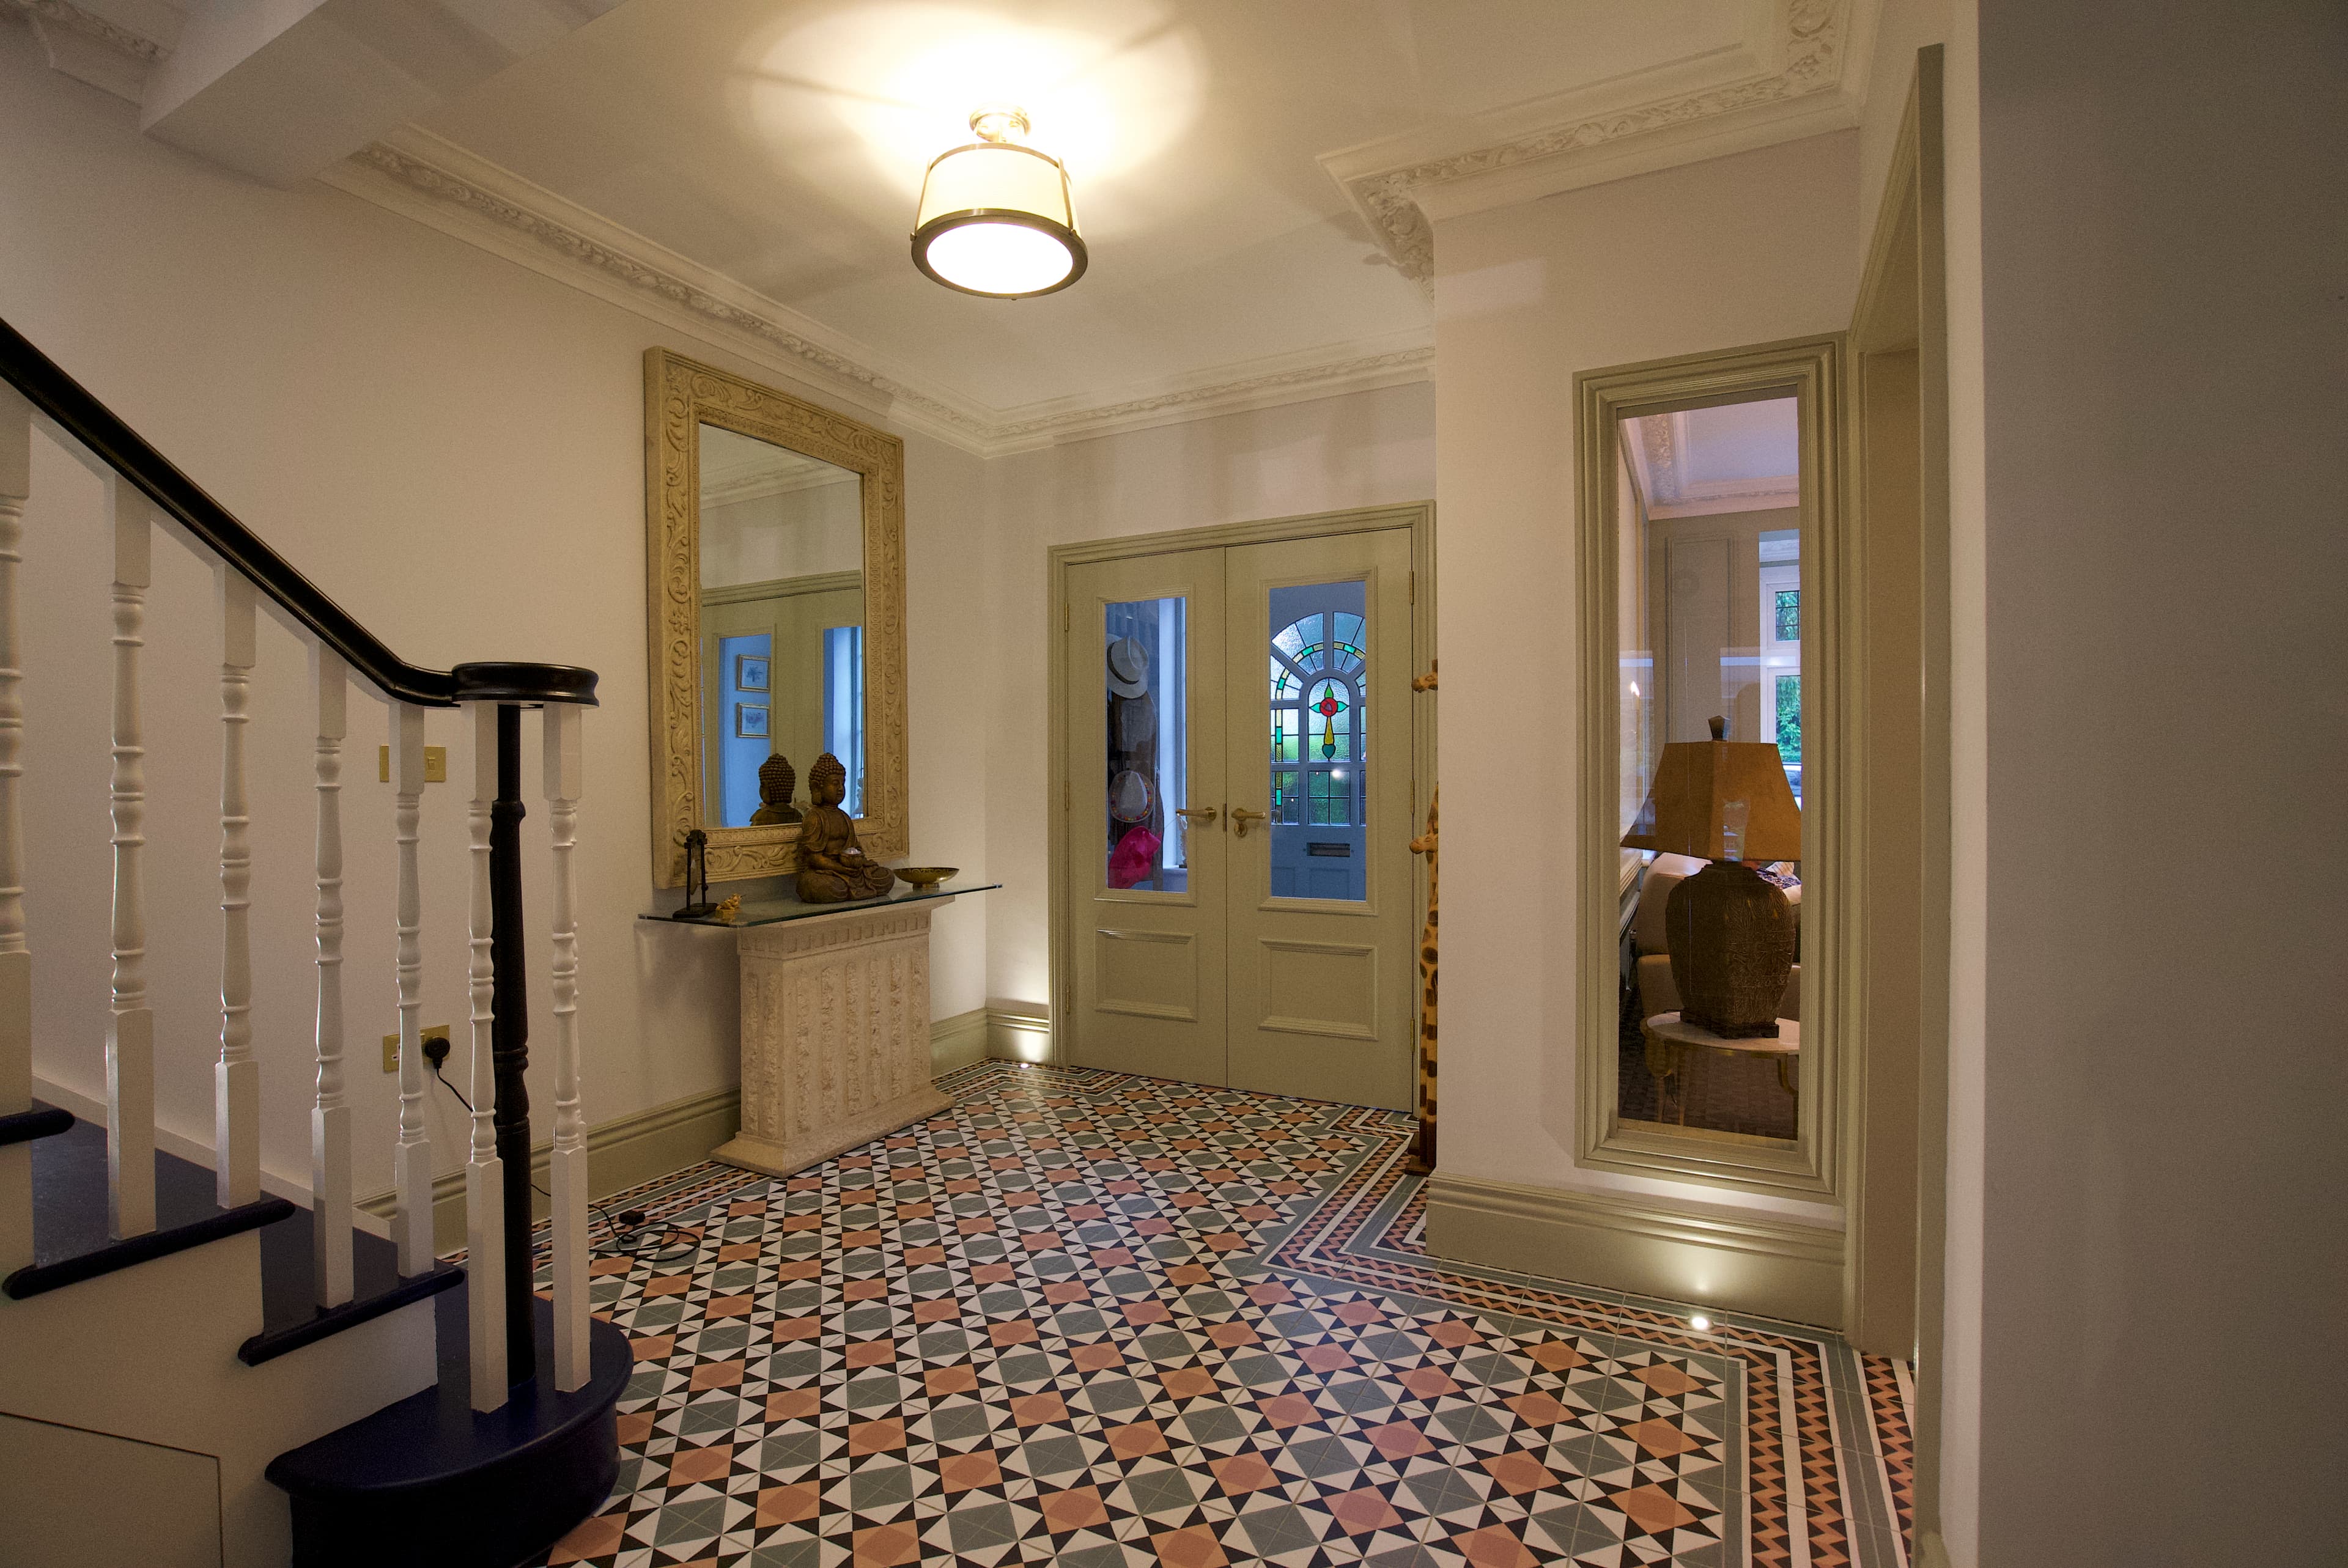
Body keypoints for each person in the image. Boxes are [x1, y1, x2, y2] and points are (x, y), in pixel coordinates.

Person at [794, 752, 895, 902]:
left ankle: (852, 885)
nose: (840, 789)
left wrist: (857, 861)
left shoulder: (844, 817)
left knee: (886, 877)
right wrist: (841, 869)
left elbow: (855, 847)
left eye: (842, 783)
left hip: (850, 871)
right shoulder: (815, 817)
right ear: (818, 788)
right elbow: (814, 858)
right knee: (823, 886)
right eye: (835, 784)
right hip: (827, 872)